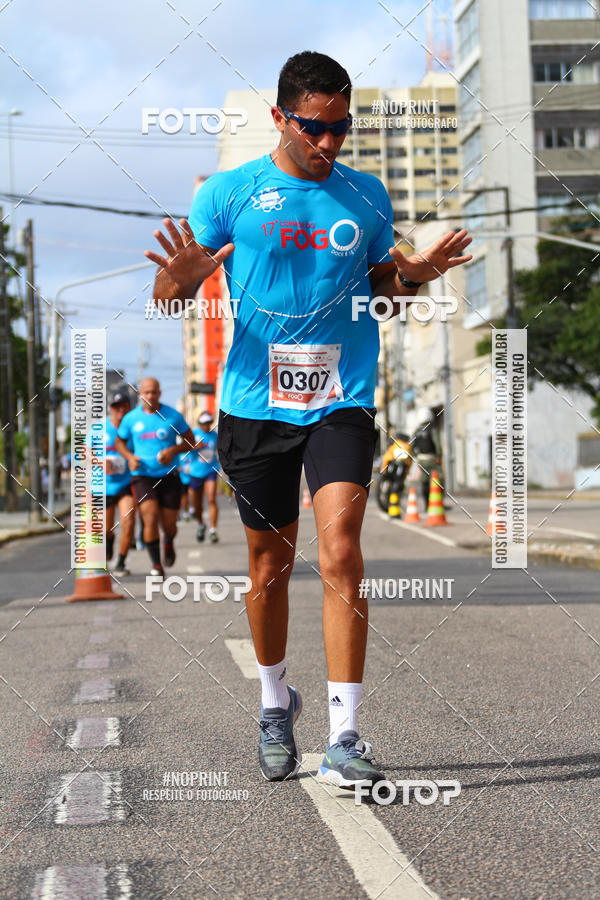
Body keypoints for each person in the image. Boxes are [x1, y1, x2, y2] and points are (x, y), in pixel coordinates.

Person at [145, 51, 472, 787]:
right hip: (255, 405)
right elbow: (169, 294)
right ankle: (273, 704)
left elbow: (383, 293)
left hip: (341, 397)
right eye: (314, 129)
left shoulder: (366, 195)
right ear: (280, 119)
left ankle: (346, 736)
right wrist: (182, 279)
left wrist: (413, 276)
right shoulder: (230, 194)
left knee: (342, 551)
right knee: (269, 564)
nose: (329, 144)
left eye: (341, 128)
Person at [115, 377, 201, 578]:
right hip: (142, 476)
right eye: (146, 392)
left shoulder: (172, 416)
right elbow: (119, 442)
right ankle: (156, 565)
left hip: (169, 475)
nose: (150, 396)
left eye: (154, 392)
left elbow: (191, 441)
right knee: (150, 517)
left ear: (160, 393)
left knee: (170, 525)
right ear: (140, 395)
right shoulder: (131, 419)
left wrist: (173, 450)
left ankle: (168, 541)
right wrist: (129, 457)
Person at [104, 392, 136, 576]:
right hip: (105, 486)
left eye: (125, 406)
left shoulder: (132, 430)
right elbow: (84, 450)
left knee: (128, 521)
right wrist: (98, 460)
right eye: (117, 407)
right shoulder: (100, 428)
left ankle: (121, 562)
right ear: (111, 409)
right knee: (106, 529)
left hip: (126, 483)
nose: (121, 410)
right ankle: (109, 541)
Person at [188, 411, 219, 543]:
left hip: (211, 470)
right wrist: (193, 446)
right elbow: (183, 447)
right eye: (203, 423)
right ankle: (201, 525)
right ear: (199, 424)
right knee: (197, 505)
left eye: (208, 423)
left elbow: (220, 450)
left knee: (211, 498)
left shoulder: (215, 435)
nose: (206, 426)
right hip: (195, 472)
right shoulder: (193, 433)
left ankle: (213, 530)